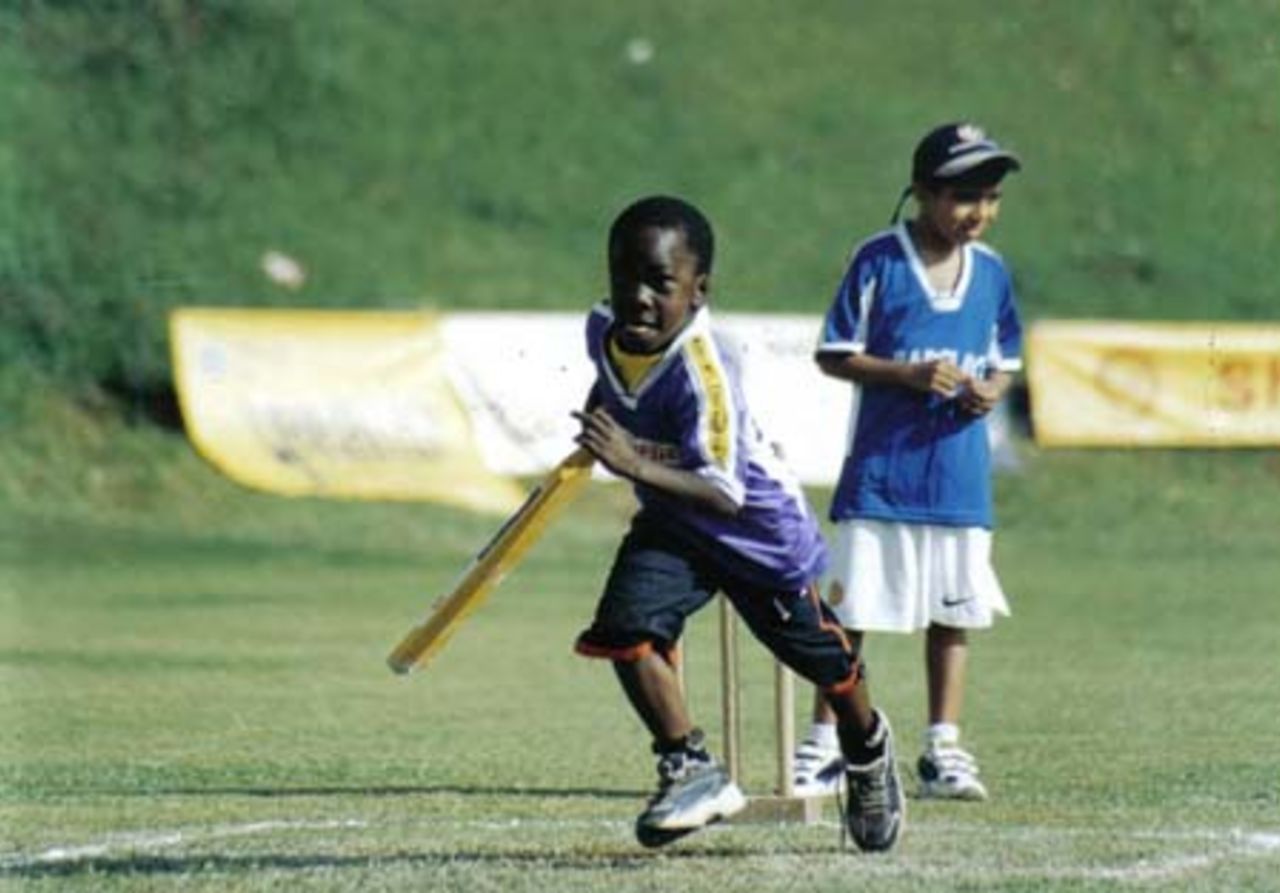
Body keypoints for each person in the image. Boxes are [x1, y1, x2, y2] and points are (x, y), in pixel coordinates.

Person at [572, 195, 904, 851]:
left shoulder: (704, 372)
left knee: (825, 663)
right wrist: (601, 421)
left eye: (660, 284)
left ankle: (866, 746)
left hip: (757, 536)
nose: (639, 298)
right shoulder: (602, 328)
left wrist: (630, 460)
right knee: (624, 630)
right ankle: (690, 766)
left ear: (698, 291)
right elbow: (611, 381)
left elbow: (724, 492)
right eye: (625, 278)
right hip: (674, 522)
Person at [792, 123, 1024, 802]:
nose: (979, 211)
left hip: (958, 479)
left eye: (991, 197)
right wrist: (908, 374)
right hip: (881, 476)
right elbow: (834, 352)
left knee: (954, 614)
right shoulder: (878, 260)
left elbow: (1005, 359)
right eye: (963, 196)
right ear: (922, 191)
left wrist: (990, 390)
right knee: (851, 614)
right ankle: (825, 745)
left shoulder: (992, 271)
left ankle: (942, 749)